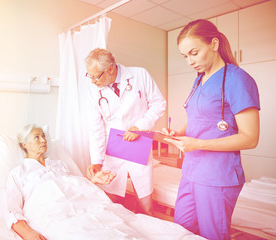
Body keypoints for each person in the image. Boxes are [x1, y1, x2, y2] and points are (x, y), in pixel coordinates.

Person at [163, 19, 260, 240]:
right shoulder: (199, 80)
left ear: (214, 44)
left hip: (217, 175)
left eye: (194, 53)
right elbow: (199, 117)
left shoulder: (238, 80)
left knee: (212, 235)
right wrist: (178, 133)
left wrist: (200, 144)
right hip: (191, 170)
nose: (189, 61)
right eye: (185, 56)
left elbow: (250, 137)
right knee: (182, 229)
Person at [84, 48, 166, 216]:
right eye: (89, 76)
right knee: (110, 199)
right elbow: (95, 127)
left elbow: (159, 103)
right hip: (113, 147)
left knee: (145, 202)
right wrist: (97, 161)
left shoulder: (140, 75)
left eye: (96, 76)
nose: (92, 81)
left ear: (111, 69)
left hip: (139, 142)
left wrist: (140, 126)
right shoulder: (93, 90)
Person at [6, 124, 116, 240]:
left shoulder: (59, 164)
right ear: (24, 144)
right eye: (37, 137)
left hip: (83, 208)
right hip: (51, 214)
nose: (43, 140)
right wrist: (28, 234)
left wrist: (93, 181)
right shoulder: (18, 173)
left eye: (44, 136)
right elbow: (12, 210)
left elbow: (77, 188)